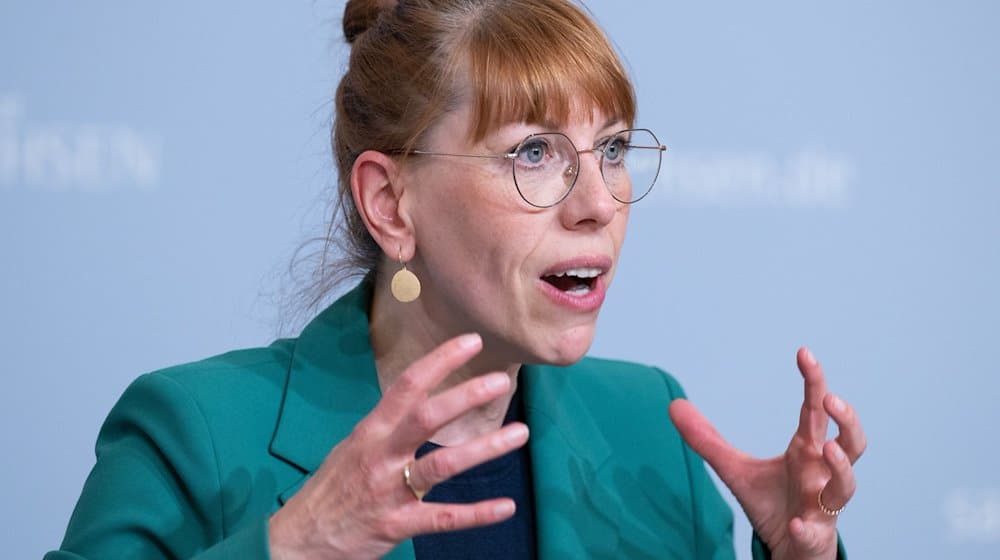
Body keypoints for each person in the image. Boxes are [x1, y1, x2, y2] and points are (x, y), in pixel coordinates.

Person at [46, 0, 865, 558]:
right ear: (391, 204)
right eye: (533, 153)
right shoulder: (194, 432)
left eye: (612, 149)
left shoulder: (653, 429)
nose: (597, 203)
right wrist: (295, 545)